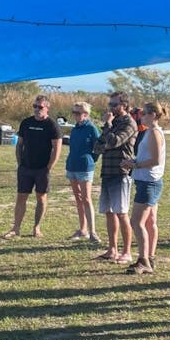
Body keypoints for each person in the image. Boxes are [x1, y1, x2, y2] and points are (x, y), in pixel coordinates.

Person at [2, 94, 62, 239]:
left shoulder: (52, 125)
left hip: (42, 168)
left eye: (40, 107)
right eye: (34, 106)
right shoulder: (26, 122)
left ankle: (37, 227)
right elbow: (19, 144)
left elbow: (57, 149)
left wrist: (49, 167)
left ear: (47, 108)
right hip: (25, 167)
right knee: (21, 197)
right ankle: (16, 228)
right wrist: (20, 163)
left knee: (41, 198)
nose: (36, 109)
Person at [122, 102, 167, 275]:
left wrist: (135, 164)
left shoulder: (155, 132)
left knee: (136, 222)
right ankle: (149, 256)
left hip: (149, 182)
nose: (141, 116)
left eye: (145, 113)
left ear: (154, 114)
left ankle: (144, 260)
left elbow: (155, 160)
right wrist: (134, 163)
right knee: (149, 221)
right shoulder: (149, 132)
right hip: (147, 180)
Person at [93, 92, 137, 264]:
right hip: (107, 171)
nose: (110, 108)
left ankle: (126, 251)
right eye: (109, 104)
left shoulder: (129, 123)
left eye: (114, 104)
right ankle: (112, 249)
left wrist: (108, 125)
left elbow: (114, 142)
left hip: (121, 173)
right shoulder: (113, 123)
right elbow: (98, 147)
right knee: (109, 212)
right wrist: (108, 129)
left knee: (121, 212)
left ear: (124, 105)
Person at [64, 101, 102, 245]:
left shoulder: (91, 128)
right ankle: (82, 229)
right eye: (73, 112)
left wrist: (91, 160)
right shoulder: (75, 129)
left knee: (86, 198)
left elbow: (97, 148)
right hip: (72, 165)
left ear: (86, 114)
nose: (75, 115)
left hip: (85, 167)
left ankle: (93, 231)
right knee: (78, 198)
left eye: (78, 113)